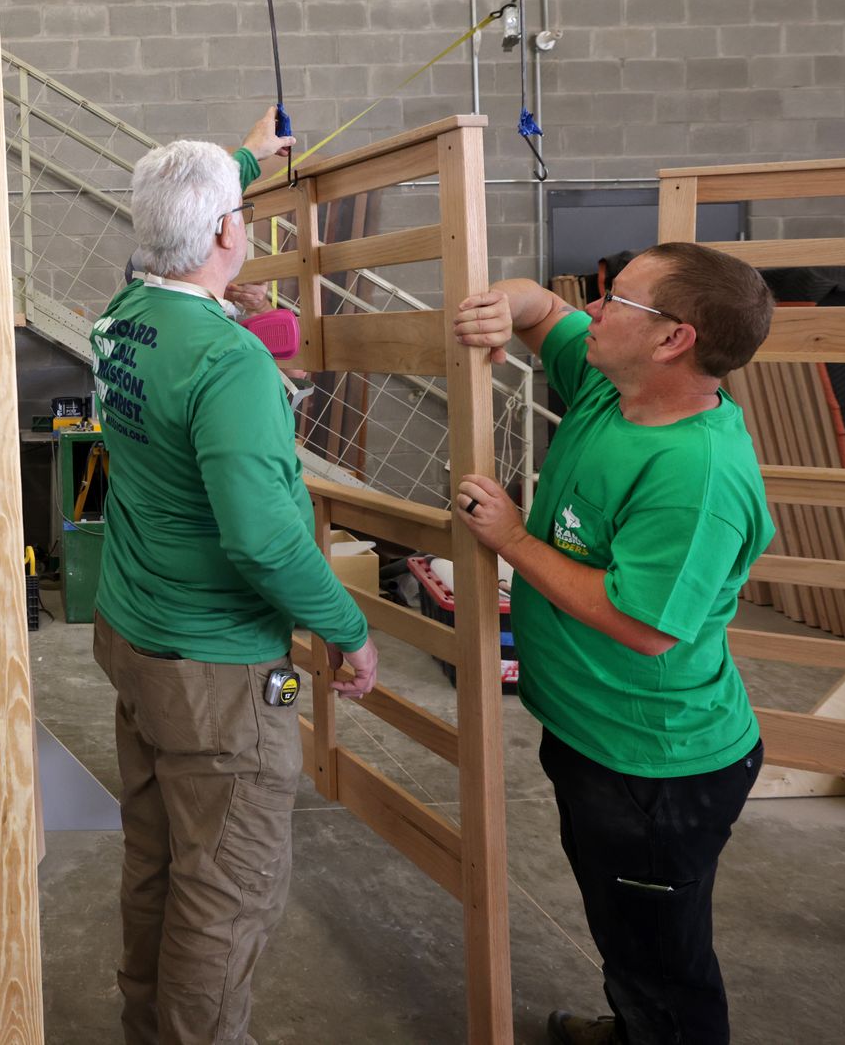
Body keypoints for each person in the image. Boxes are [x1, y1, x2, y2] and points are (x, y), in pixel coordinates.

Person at [90, 118, 380, 1045]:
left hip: (137, 640)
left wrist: (245, 160)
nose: (246, 226)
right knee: (226, 890)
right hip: (216, 674)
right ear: (225, 234)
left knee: (161, 866)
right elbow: (262, 540)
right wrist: (346, 627)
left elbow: (176, 264)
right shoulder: (231, 361)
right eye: (243, 215)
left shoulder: (122, 321)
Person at [449, 243, 778, 1045]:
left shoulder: (694, 477)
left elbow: (646, 627)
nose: (592, 310)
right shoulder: (611, 384)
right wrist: (507, 303)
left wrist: (514, 539)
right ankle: (637, 1021)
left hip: (655, 769)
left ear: (674, 340)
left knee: (667, 957)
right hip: (595, 741)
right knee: (628, 930)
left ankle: (659, 1026)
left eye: (616, 301)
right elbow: (539, 310)